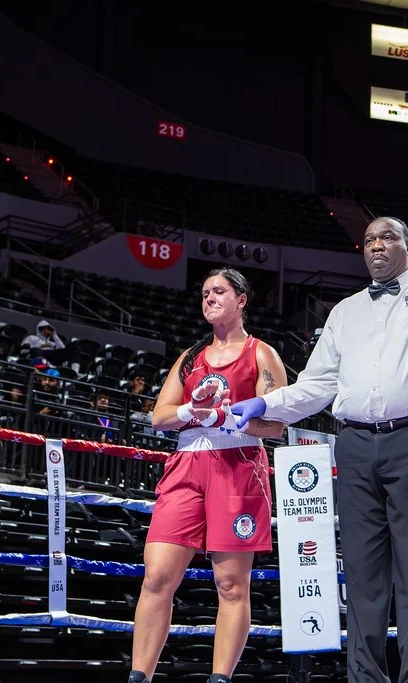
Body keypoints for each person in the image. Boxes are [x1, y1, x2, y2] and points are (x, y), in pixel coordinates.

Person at [230, 167, 408, 681]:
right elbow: (318, 386)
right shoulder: (344, 311)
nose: (376, 245)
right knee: (364, 576)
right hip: (355, 446)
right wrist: (268, 404)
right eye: (369, 239)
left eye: (387, 236)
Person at [128, 268, 287, 683]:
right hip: (186, 465)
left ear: (242, 300)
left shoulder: (261, 354)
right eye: (204, 293)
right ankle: (138, 677)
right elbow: (159, 416)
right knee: (158, 575)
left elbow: (276, 426)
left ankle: (220, 679)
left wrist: (227, 418)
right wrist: (188, 412)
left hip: (238, 466)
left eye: (219, 291)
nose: (210, 298)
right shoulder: (190, 357)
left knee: (231, 584)